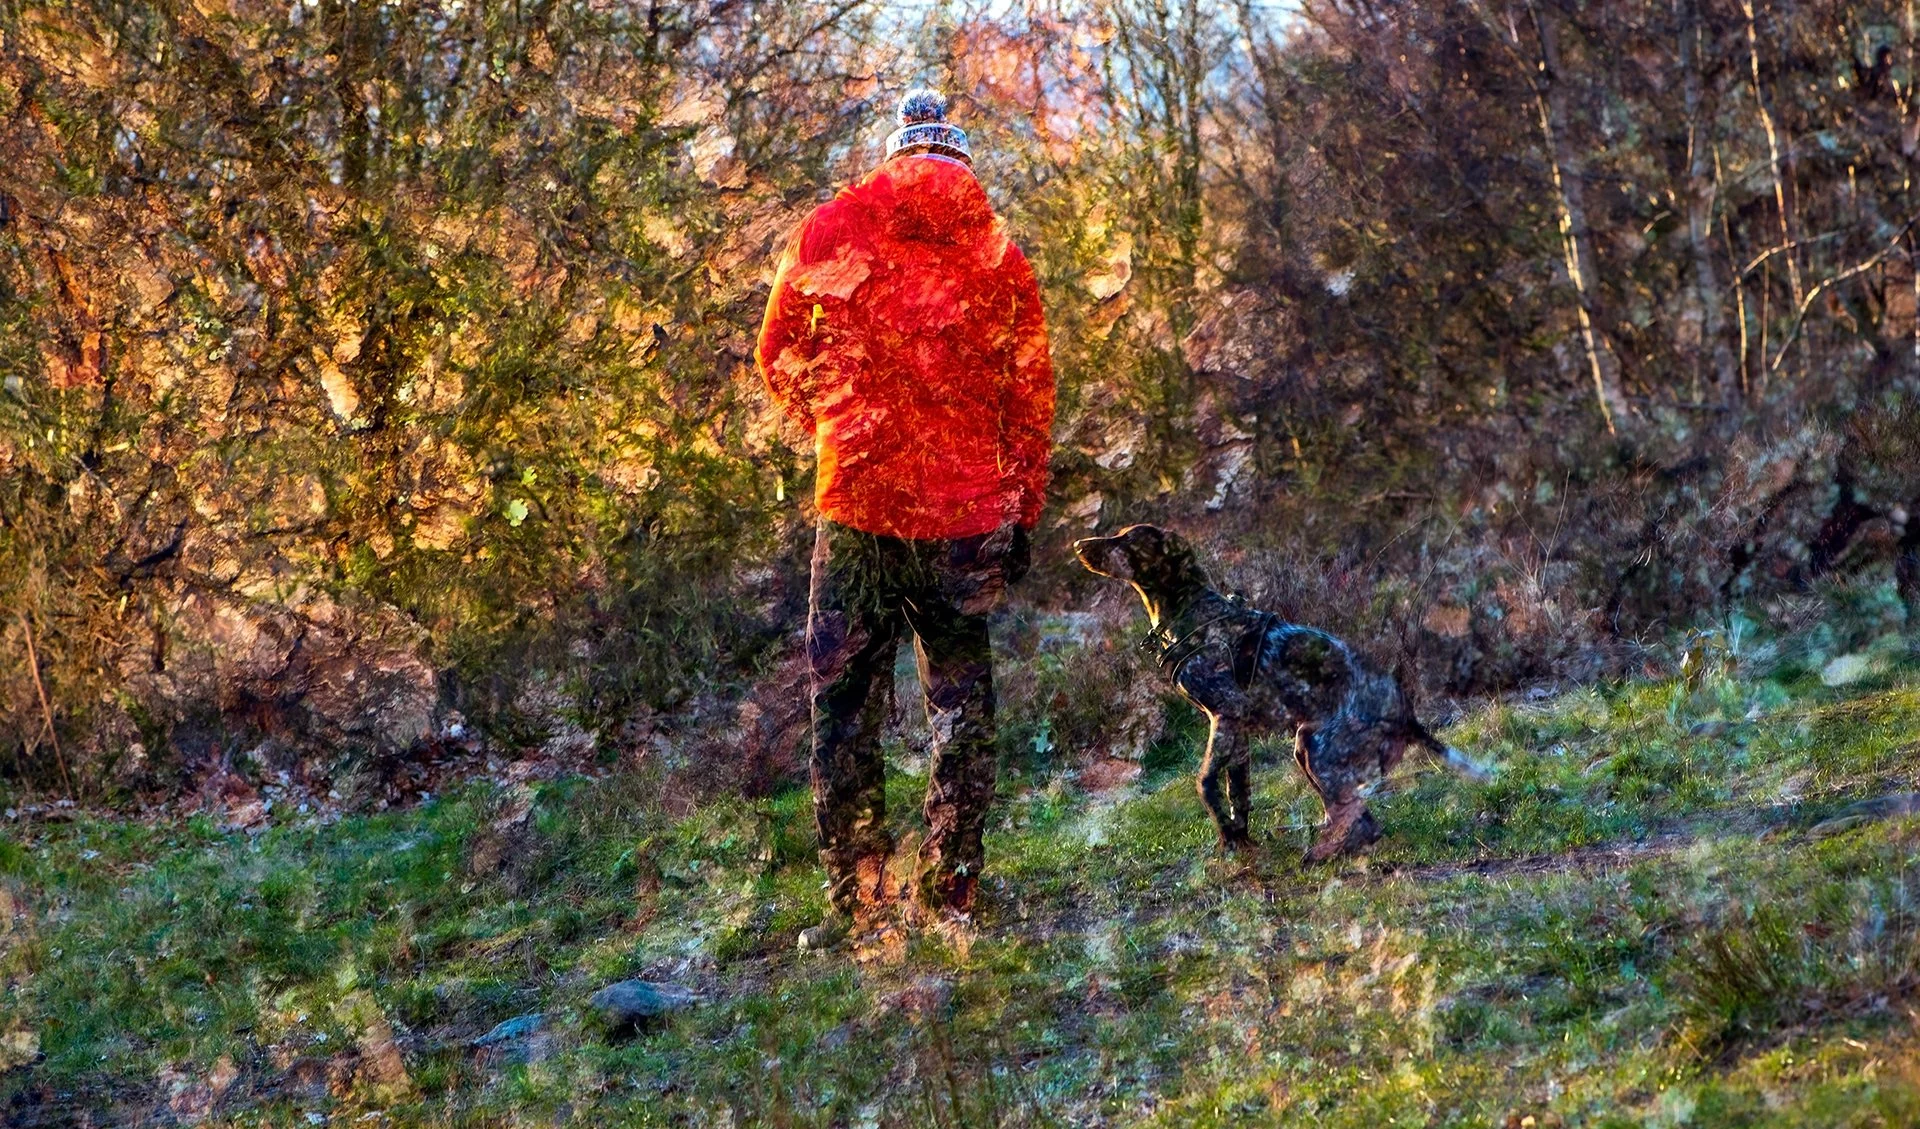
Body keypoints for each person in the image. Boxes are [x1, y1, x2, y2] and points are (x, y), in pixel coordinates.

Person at [756, 89, 1054, 947]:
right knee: (962, 709)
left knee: (844, 707)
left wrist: (838, 419)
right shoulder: (1000, 255)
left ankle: (861, 906)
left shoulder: (830, 229)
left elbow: (776, 352)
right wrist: (1020, 509)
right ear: (960, 161)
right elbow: (1029, 397)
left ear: (893, 156)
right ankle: (954, 890)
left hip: (857, 507)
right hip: (964, 519)